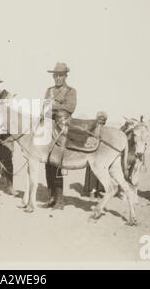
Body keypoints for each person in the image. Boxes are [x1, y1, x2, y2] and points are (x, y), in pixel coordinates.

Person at [41, 62, 77, 210]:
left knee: (57, 161)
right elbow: (44, 107)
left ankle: (60, 200)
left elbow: (70, 107)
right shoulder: (49, 91)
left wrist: (53, 106)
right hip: (49, 125)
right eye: (56, 75)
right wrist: (53, 106)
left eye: (60, 75)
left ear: (65, 76)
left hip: (63, 125)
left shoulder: (70, 91)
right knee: (47, 163)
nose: (58, 78)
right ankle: (51, 197)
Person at [83, 111, 108, 199]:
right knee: (93, 172)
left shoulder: (105, 131)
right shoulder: (92, 129)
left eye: (103, 121)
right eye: (100, 121)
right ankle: (92, 191)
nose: (101, 123)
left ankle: (98, 190)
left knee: (101, 172)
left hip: (101, 155)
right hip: (92, 154)